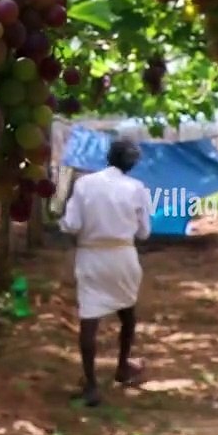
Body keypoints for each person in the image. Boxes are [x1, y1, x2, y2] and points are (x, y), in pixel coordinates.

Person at [58, 136, 152, 406]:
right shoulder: (137, 188)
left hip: (92, 257)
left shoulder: (85, 184)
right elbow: (144, 232)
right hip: (124, 256)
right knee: (128, 313)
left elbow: (71, 224)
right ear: (132, 164)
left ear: (108, 157)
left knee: (89, 318)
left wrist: (66, 221)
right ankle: (122, 367)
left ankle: (91, 385)